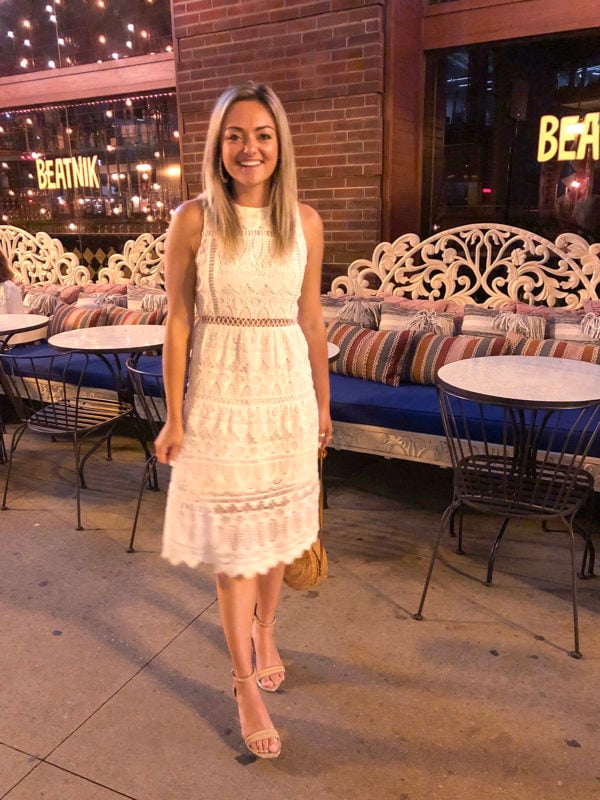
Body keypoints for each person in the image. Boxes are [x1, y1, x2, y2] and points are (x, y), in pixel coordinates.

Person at [155, 81, 332, 760]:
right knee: (234, 550)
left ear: (280, 143)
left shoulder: (305, 222)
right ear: (218, 146)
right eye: (235, 135)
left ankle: (265, 633)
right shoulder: (194, 219)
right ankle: (241, 683)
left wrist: (322, 404)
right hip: (223, 395)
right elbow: (177, 321)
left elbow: (312, 321)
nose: (249, 147)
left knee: (277, 537)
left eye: (261, 134)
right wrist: (173, 417)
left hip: (285, 392)